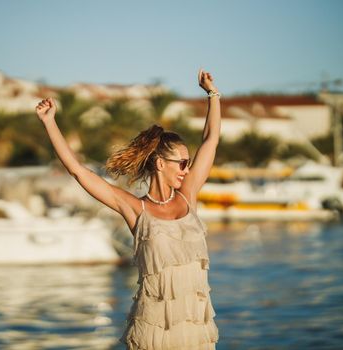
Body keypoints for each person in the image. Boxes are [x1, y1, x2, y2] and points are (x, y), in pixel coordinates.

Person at [36, 69, 221, 349]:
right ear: (160, 164)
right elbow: (78, 171)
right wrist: (50, 123)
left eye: (189, 162)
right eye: (182, 162)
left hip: (195, 330)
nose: (188, 168)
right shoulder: (136, 209)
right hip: (153, 331)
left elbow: (211, 140)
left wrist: (212, 94)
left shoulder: (188, 196)